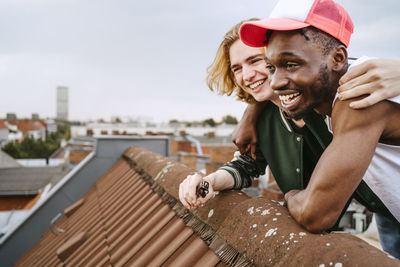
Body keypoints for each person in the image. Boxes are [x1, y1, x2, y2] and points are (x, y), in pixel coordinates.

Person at [179, 16, 400, 237]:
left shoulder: (324, 95)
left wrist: (291, 196)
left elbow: (334, 62)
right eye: (237, 68)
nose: (247, 75)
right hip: (385, 210)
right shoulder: (265, 116)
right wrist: (209, 181)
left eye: (256, 61)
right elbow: (248, 164)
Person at [239, 0, 400, 257]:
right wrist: (252, 111)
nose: (277, 81)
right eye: (271, 67)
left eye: (291, 64)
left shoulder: (358, 94)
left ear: (338, 58)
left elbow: (315, 213)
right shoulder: (328, 83)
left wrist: (292, 196)